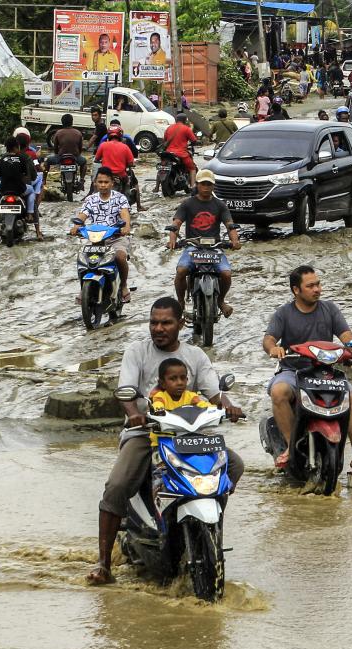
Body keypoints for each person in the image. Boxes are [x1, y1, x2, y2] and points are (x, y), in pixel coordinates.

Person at [87, 298, 245, 584]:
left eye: (166, 323)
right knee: (118, 486)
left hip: (191, 436)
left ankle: (209, 526)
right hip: (146, 435)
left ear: (181, 324)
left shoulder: (195, 355)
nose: (158, 328)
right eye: (154, 323)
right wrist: (134, 413)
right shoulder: (137, 351)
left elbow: (214, 392)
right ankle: (103, 563)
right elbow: (126, 389)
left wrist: (229, 406)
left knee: (233, 464)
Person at [262, 265, 352, 478]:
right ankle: (291, 447)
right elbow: (269, 339)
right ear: (296, 290)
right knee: (278, 392)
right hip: (293, 371)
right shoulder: (284, 313)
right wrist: (274, 348)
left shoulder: (330, 309)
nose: (317, 289)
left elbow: (347, 337)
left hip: (326, 372)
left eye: (318, 284)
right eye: (310, 286)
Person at [169, 169, 240, 319]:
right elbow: (176, 223)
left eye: (209, 184)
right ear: (197, 184)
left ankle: (220, 301)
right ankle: (180, 302)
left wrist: (235, 240)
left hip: (215, 248)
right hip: (193, 246)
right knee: (181, 271)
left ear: (213, 186)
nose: (206, 187)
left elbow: (230, 225)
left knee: (226, 274)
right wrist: (172, 239)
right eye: (203, 184)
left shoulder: (220, 205)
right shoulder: (187, 204)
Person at [72, 167, 133, 304]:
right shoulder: (90, 199)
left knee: (120, 256)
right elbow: (82, 215)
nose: (103, 185)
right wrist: (76, 226)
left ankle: (123, 286)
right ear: (95, 183)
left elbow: (125, 214)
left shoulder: (120, 198)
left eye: (106, 182)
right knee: (82, 258)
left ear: (112, 183)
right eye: (100, 182)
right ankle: (83, 289)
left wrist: (126, 227)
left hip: (116, 237)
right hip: (94, 239)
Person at [148, 358, 212, 449]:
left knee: (220, 458)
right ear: (162, 383)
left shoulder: (191, 397)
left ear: (187, 380)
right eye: (173, 379)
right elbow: (157, 404)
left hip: (188, 441)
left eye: (182, 378)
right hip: (164, 442)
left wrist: (216, 410)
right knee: (156, 461)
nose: (179, 383)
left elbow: (203, 405)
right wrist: (158, 410)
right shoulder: (160, 396)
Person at [0, 137, 36, 234]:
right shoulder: (22, 158)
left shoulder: (2, 159)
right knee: (32, 191)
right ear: (16, 147)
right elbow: (26, 174)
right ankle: (30, 214)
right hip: (19, 189)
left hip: (4, 189)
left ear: (7, 148)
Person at [44, 113, 88, 179]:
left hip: (61, 156)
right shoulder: (78, 133)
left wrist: (57, 154)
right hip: (75, 157)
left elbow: (55, 148)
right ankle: (82, 180)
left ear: (62, 122)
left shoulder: (58, 133)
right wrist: (77, 154)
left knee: (47, 161)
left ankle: (44, 180)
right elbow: (80, 148)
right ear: (72, 122)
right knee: (84, 162)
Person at [162, 112, 198, 188]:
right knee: (192, 168)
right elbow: (194, 140)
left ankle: (156, 187)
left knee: (163, 167)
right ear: (185, 120)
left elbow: (164, 140)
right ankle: (192, 186)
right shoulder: (186, 129)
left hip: (168, 153)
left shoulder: (169, 128)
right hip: (181, 154)